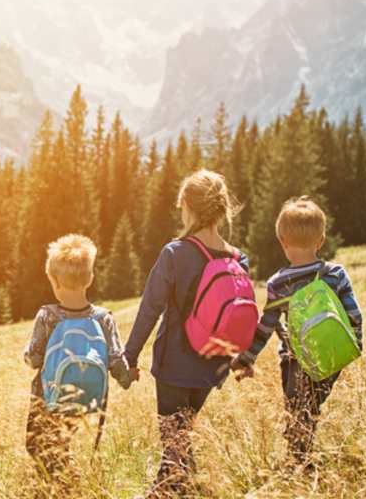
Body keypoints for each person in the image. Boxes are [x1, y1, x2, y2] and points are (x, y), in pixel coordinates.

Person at [123, 170, 249, 496]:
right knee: (182, 439)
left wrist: (130, 356)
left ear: (187, 207)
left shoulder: (175, 253)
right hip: (212, 366)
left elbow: (149, 309)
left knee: (173, 447)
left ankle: (170, 492)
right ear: (222, 210)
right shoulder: (237, 258)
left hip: (174, 365)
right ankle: (191, 488)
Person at [236, 196, 364, 471]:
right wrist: (355, 343)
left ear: (282, 241)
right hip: (332, 353)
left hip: (295, 359)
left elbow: (266, 326)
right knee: (311, 407)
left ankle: (299, 462)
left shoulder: (278, 283)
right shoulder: (336, 274)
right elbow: (354, 313)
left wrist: (247, 358)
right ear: (321, 240)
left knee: (297, 411)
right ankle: (303, 453)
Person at [22, 234, 132, 485]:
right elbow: (116, 358)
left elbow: (35, 358)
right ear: (90, 278)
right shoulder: (103, 317)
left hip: (46, 396)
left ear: (54, 280)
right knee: (61, 441)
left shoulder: (48, 316)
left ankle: (67, 485)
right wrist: (126, 378)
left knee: (37, 446)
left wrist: (25, 354)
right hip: (84, 395)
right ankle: (64, 484)